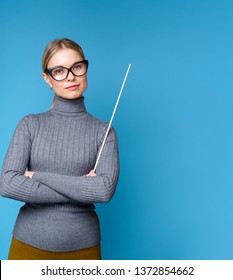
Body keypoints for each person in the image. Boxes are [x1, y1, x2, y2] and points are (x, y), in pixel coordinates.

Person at [0, 38, 119, 260]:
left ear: (85, 68)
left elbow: (103, 191)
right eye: (59, 71)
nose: (70, 76)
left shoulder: (104, 131)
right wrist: (82, 187)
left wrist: (38, 176)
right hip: (28, 244)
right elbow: (7, 184)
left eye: (77, 67)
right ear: (47, 78)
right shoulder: (29, 124)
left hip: (83, 247)